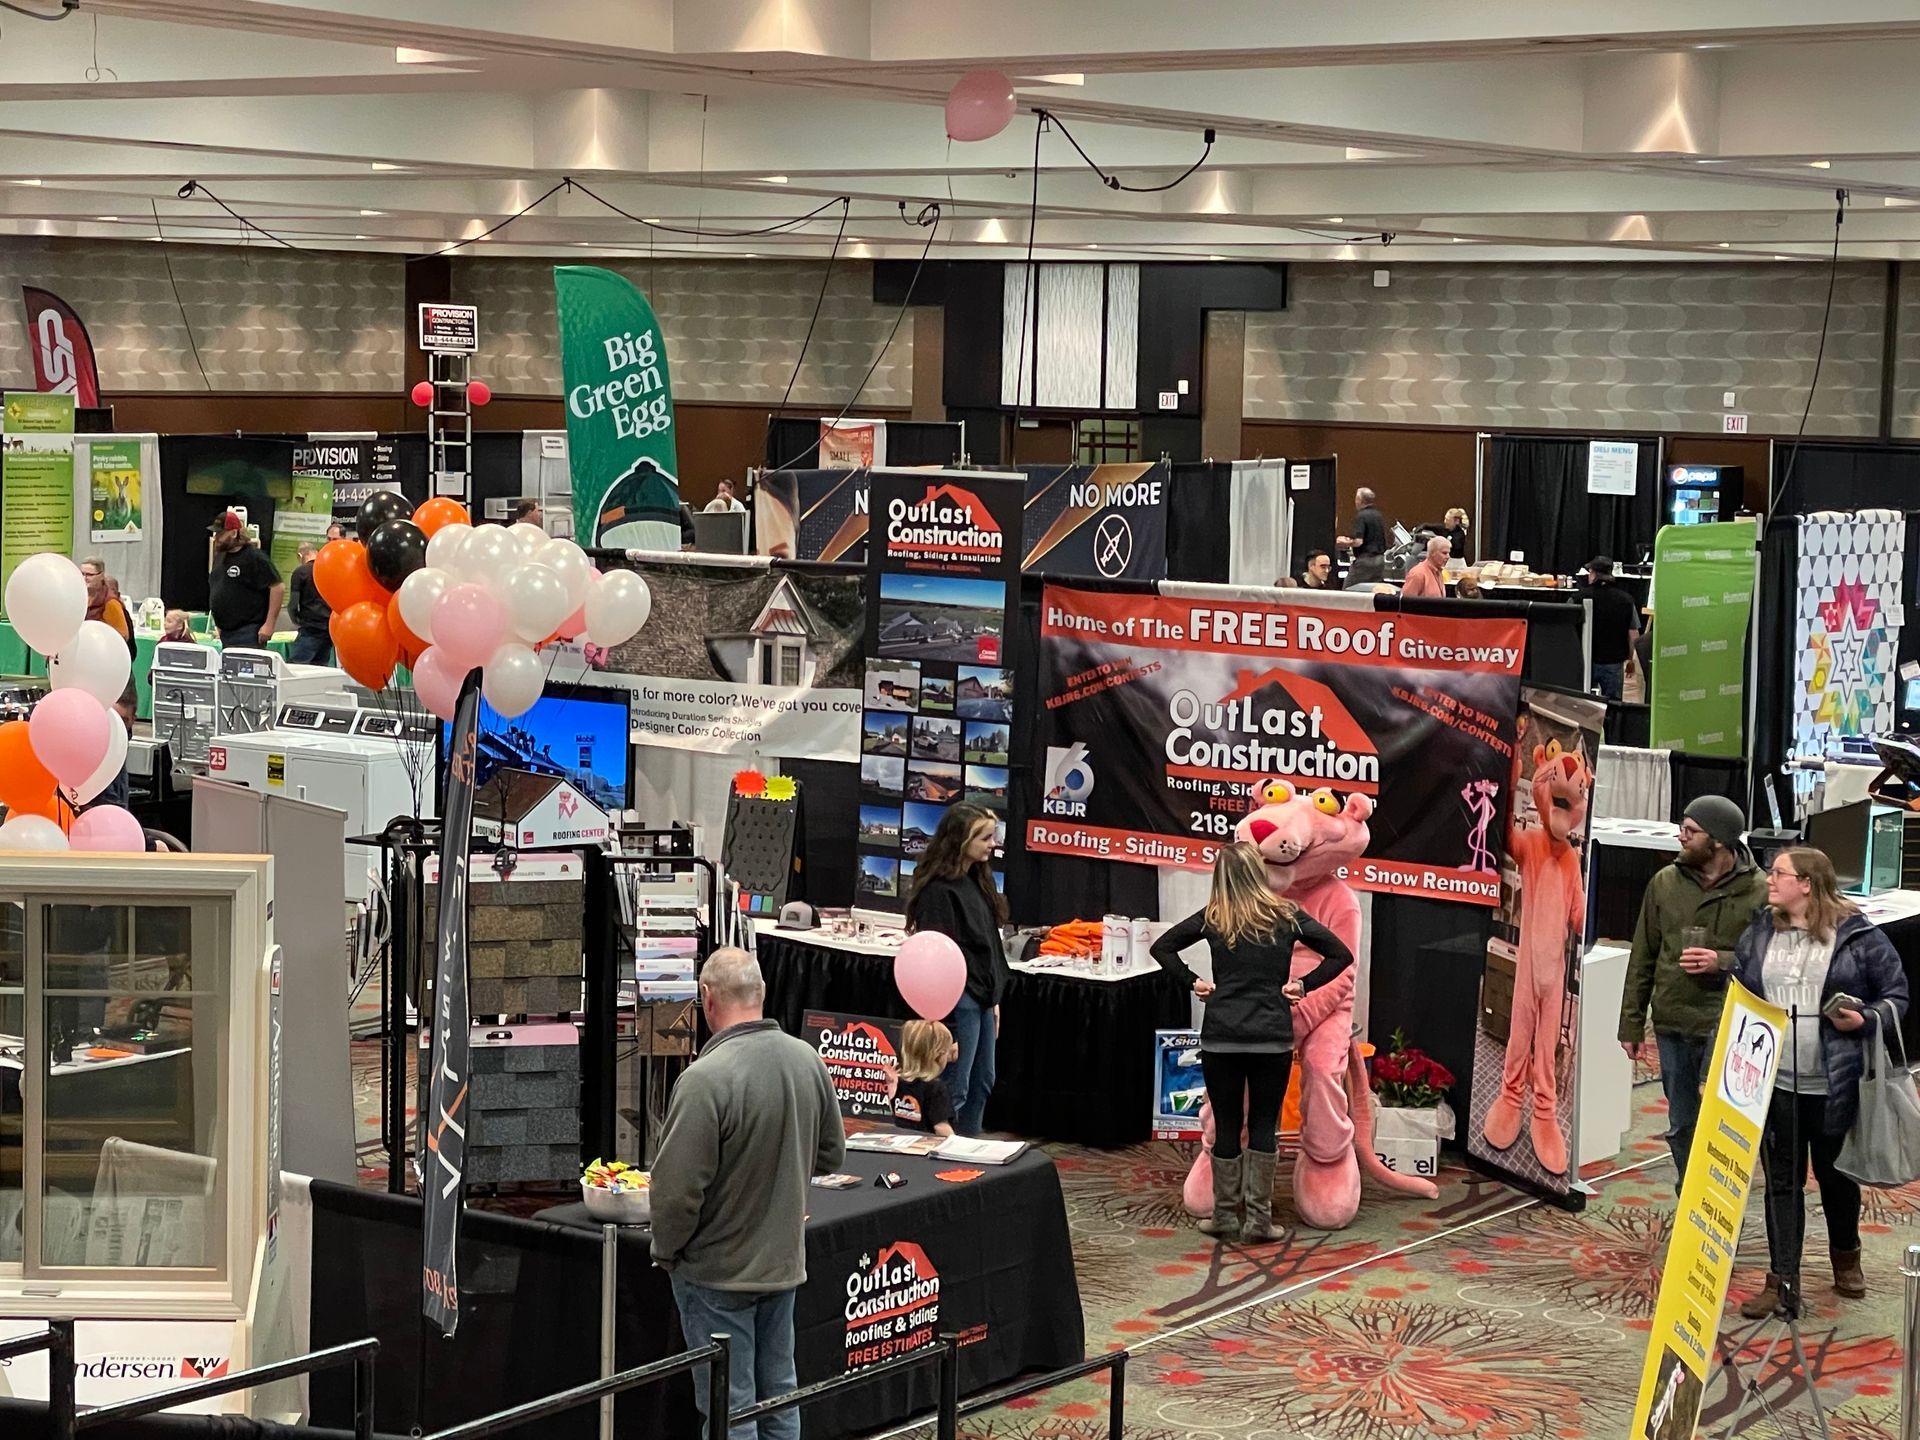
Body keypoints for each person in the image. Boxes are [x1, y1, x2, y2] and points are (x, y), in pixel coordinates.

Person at [650, 948, 846, 1440]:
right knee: (781, 1394)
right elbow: (831, 1156)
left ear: (706, 997)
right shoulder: (807, 1059)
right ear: (760, 993)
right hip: (781, 1265)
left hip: (716, 1273)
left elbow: (675, 1195)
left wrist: (667, 1251)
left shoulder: (704, 1079)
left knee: (728, 1407)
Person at [1731, 847, 1907, 1318]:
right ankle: (1782, 1279)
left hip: (1834, 1082)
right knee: (1781, 1184)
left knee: (1836, 1178)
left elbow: (1897, 996)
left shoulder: (1858, 936)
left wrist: (1866, 1019)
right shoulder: (1760, 931)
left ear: (1807, 883)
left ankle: (1845, 1257)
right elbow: (1740, 996)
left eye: (1779, 873)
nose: (1770, 879)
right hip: (1775, 1084)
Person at [1150, 842, 1353, 1242]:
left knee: (1227, 1127)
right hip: (1271, 1039)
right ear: (1258, 874)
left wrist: (1193, 982)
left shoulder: (1214, 917)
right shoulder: (1287, 914)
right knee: (1264, 1127)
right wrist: (1302, 985)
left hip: (1221, 1038)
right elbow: (1340, 954)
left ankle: (1225, 1216)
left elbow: (1163, 947)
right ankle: (1260, 1220)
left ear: (1221, 877)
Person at [1618, 795, 1768, 1187]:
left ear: (1717, 840)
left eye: (1690, 830)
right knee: (1681, 1124)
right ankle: (1691, 1198)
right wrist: (1631, 1025)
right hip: (1673, 1021)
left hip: (1731, 1027)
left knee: (1727, 1127)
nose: (1680, 836)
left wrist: (1721, 961)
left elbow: (1771, 962)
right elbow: (1643, 954)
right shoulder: (1665, 883)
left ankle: (1721, 1199)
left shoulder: (1761, 892)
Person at [905, 803, 1009, 1137]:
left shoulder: (978, 882)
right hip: (959, 1000)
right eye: (984, 838)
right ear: (960, 840)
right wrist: (945, 1019)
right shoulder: (939, 891)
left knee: (983, 1080)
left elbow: (989, 947)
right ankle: (948, 1156)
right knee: (957, 1086)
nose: (992, 844)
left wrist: (993, 999)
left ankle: (971, 1146)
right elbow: (940, 958)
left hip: (981, 995)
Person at [207, 512, 283, 650]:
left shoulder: (254, 557)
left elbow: (277, 587)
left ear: (234, 533)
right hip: (226, 632)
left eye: (221, 534)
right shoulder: (220, 557)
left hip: (248, 631)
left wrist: (269, 624)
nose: (216, 538)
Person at [1580, 556, 1640, 702]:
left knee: (1583, 703)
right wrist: (1631, 661)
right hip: (1614, 662)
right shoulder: (1626, 600)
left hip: (1586, 661)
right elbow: (1633, 634)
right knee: (1613, 705)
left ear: (1593, 574)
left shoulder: (1579, 597)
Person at [891, 1020, 957, 1137]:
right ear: (938, 1056)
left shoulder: (900, 1082)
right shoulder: (936, 1089)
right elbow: (941, 1127)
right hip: (925, 1148)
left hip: (901, 1143)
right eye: (947, 1052)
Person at [286, 541, 332, 664]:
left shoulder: (300, 572)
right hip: (329, 628)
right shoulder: (329, 570)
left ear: (300, 556)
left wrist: (295, 619)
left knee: (296, 667)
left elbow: (293, 603)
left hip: (310, 628)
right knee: (320, 669)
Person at [1336, 488, 1387, 588]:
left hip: (1365, 561)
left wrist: (1345, 542)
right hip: (1380, 561)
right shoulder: (1379, 515)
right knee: (1372, 589)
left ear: (1359, 500)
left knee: (1348, 589)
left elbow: (1359, 541)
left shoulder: (1361, 516)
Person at [79, 558, 133, 644]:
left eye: (89, 575)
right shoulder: (78, 596)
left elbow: (123, 635)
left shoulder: (110, 602)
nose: (84, 578)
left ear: (101, 575)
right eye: (82, 574)